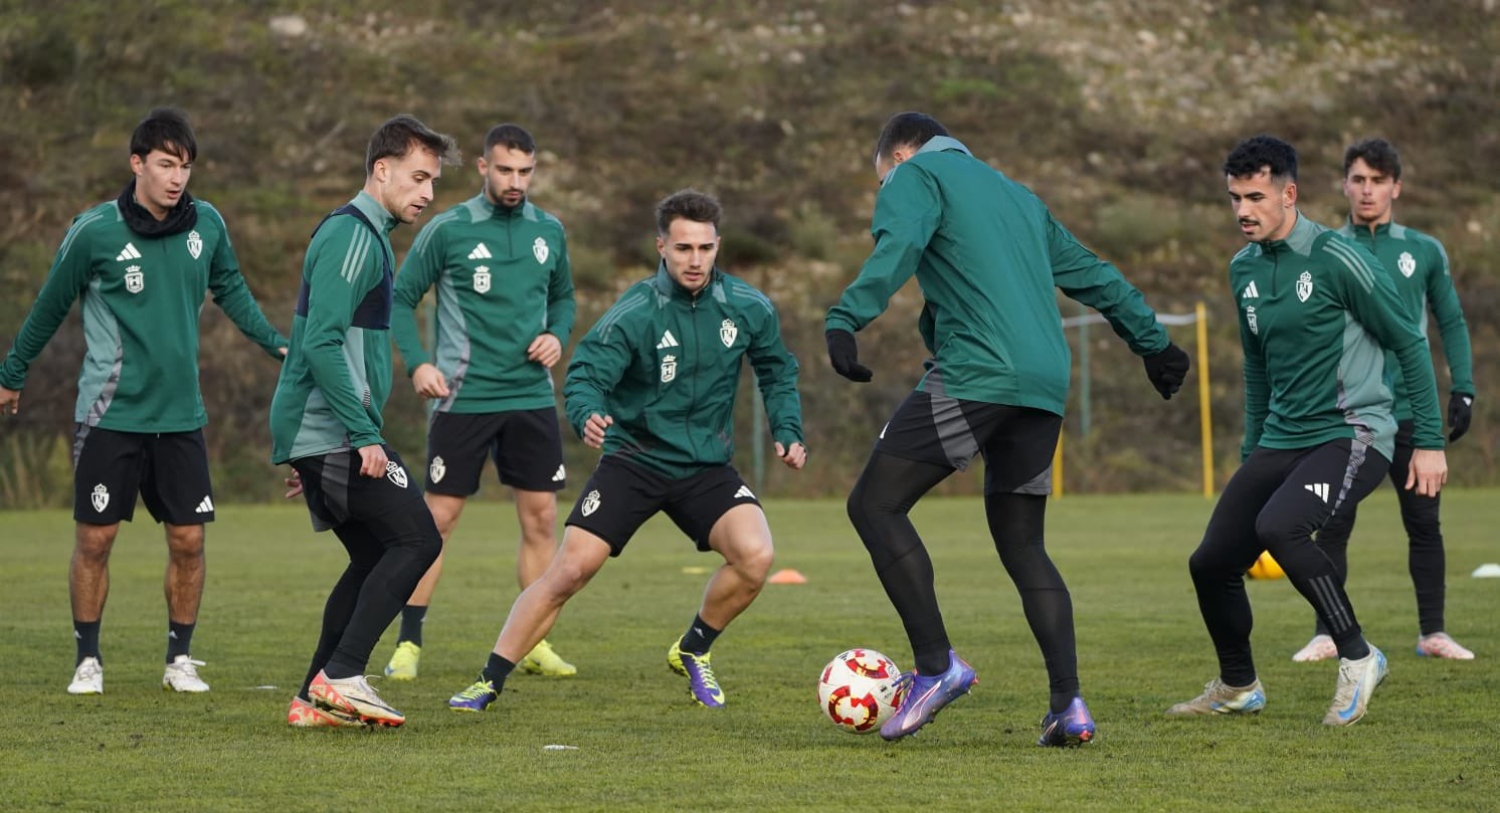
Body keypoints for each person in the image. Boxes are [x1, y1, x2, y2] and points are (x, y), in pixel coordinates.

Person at [824, 112, 1190, 745]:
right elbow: (1093, 274)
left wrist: (846, 316)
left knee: (874, 505)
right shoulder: (1017, 196)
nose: (886, 192)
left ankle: (937, 666)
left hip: (979, 373)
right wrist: (1153, 343)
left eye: (883, 180)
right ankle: (1068, 706)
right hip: (1044, 385)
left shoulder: (917, 175)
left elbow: (898, 246)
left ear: (898, 157)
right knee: (1023, 544)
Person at [446, 189, 806, 713]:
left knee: (756, 556)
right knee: (569, 572)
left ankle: (693, 649)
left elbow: (777, 370)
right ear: (662, 246)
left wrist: (788, 428)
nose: (695, 259)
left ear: (718, 245)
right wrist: (588, 412)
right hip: (634, 460)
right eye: (683, 248)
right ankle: (489, 679)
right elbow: (588, 372)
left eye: (705, 248)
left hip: (705, 466)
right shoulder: (637, 311)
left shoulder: (748, 307)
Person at [0, 108, 288, 696]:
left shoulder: (206, 224)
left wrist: (275, 343)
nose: (177, 177)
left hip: (181, 416)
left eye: (185, 166)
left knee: (189, 541)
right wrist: (12, 372)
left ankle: (179, 658)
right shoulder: (95, 231)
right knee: (95, 540)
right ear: (137, 164)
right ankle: (88, 659)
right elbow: (50, 306)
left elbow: (231, 288)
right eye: (164, 164)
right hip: (110, 415)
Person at [1167, 135, 1447, 727]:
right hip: (1281, 439)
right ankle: (1239, 685)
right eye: (1234, 197)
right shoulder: (1242, 269)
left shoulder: (1337, 258)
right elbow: (1257, 369)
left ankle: (1358, 654)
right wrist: (1250, 455)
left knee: (1281, 526)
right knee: (1211, 562)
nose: (1243, 210)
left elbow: (1409, 342)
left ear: (1289, 194)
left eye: (1256, 196)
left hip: (1355, 432)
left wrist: (1429, 441)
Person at [273, 114, 458, 728]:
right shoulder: (352, 235)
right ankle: (344, 673)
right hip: (335, 431)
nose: (427, 193)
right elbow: (321, 344)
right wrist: (360, 434)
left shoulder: (368, 235)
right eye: (418, 177)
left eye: (432, 180)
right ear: (382, 171)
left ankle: (312, 696)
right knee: (417, 539)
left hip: (324, 433)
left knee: (377, 551)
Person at [380, 124, 577, 682]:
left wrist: (559, 333)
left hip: (530, 397)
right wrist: (419, 361)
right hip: (463, 399)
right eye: (505, 170)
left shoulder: (549, 231)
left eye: (526, 171)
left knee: (541, 519)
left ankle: (535, 643)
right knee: (437, 521)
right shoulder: (449, 229)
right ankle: (409, 642)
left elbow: (563, 297)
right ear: (485, 169)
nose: (516, 181)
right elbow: (399, 298)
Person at [1289, 138, 1476, 662]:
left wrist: (1462, 387)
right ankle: (1327, 632)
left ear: (1396, 186)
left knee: (1423, 523)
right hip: (1346, 416)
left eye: (1377, 180)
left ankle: (1433, 633)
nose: (1367, 190)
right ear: (1344, 185)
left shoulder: (1423, 250)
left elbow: (1451, 322)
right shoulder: (1322, 249)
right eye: (1358, 179)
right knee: (1331, 523)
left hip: (1412, 414)